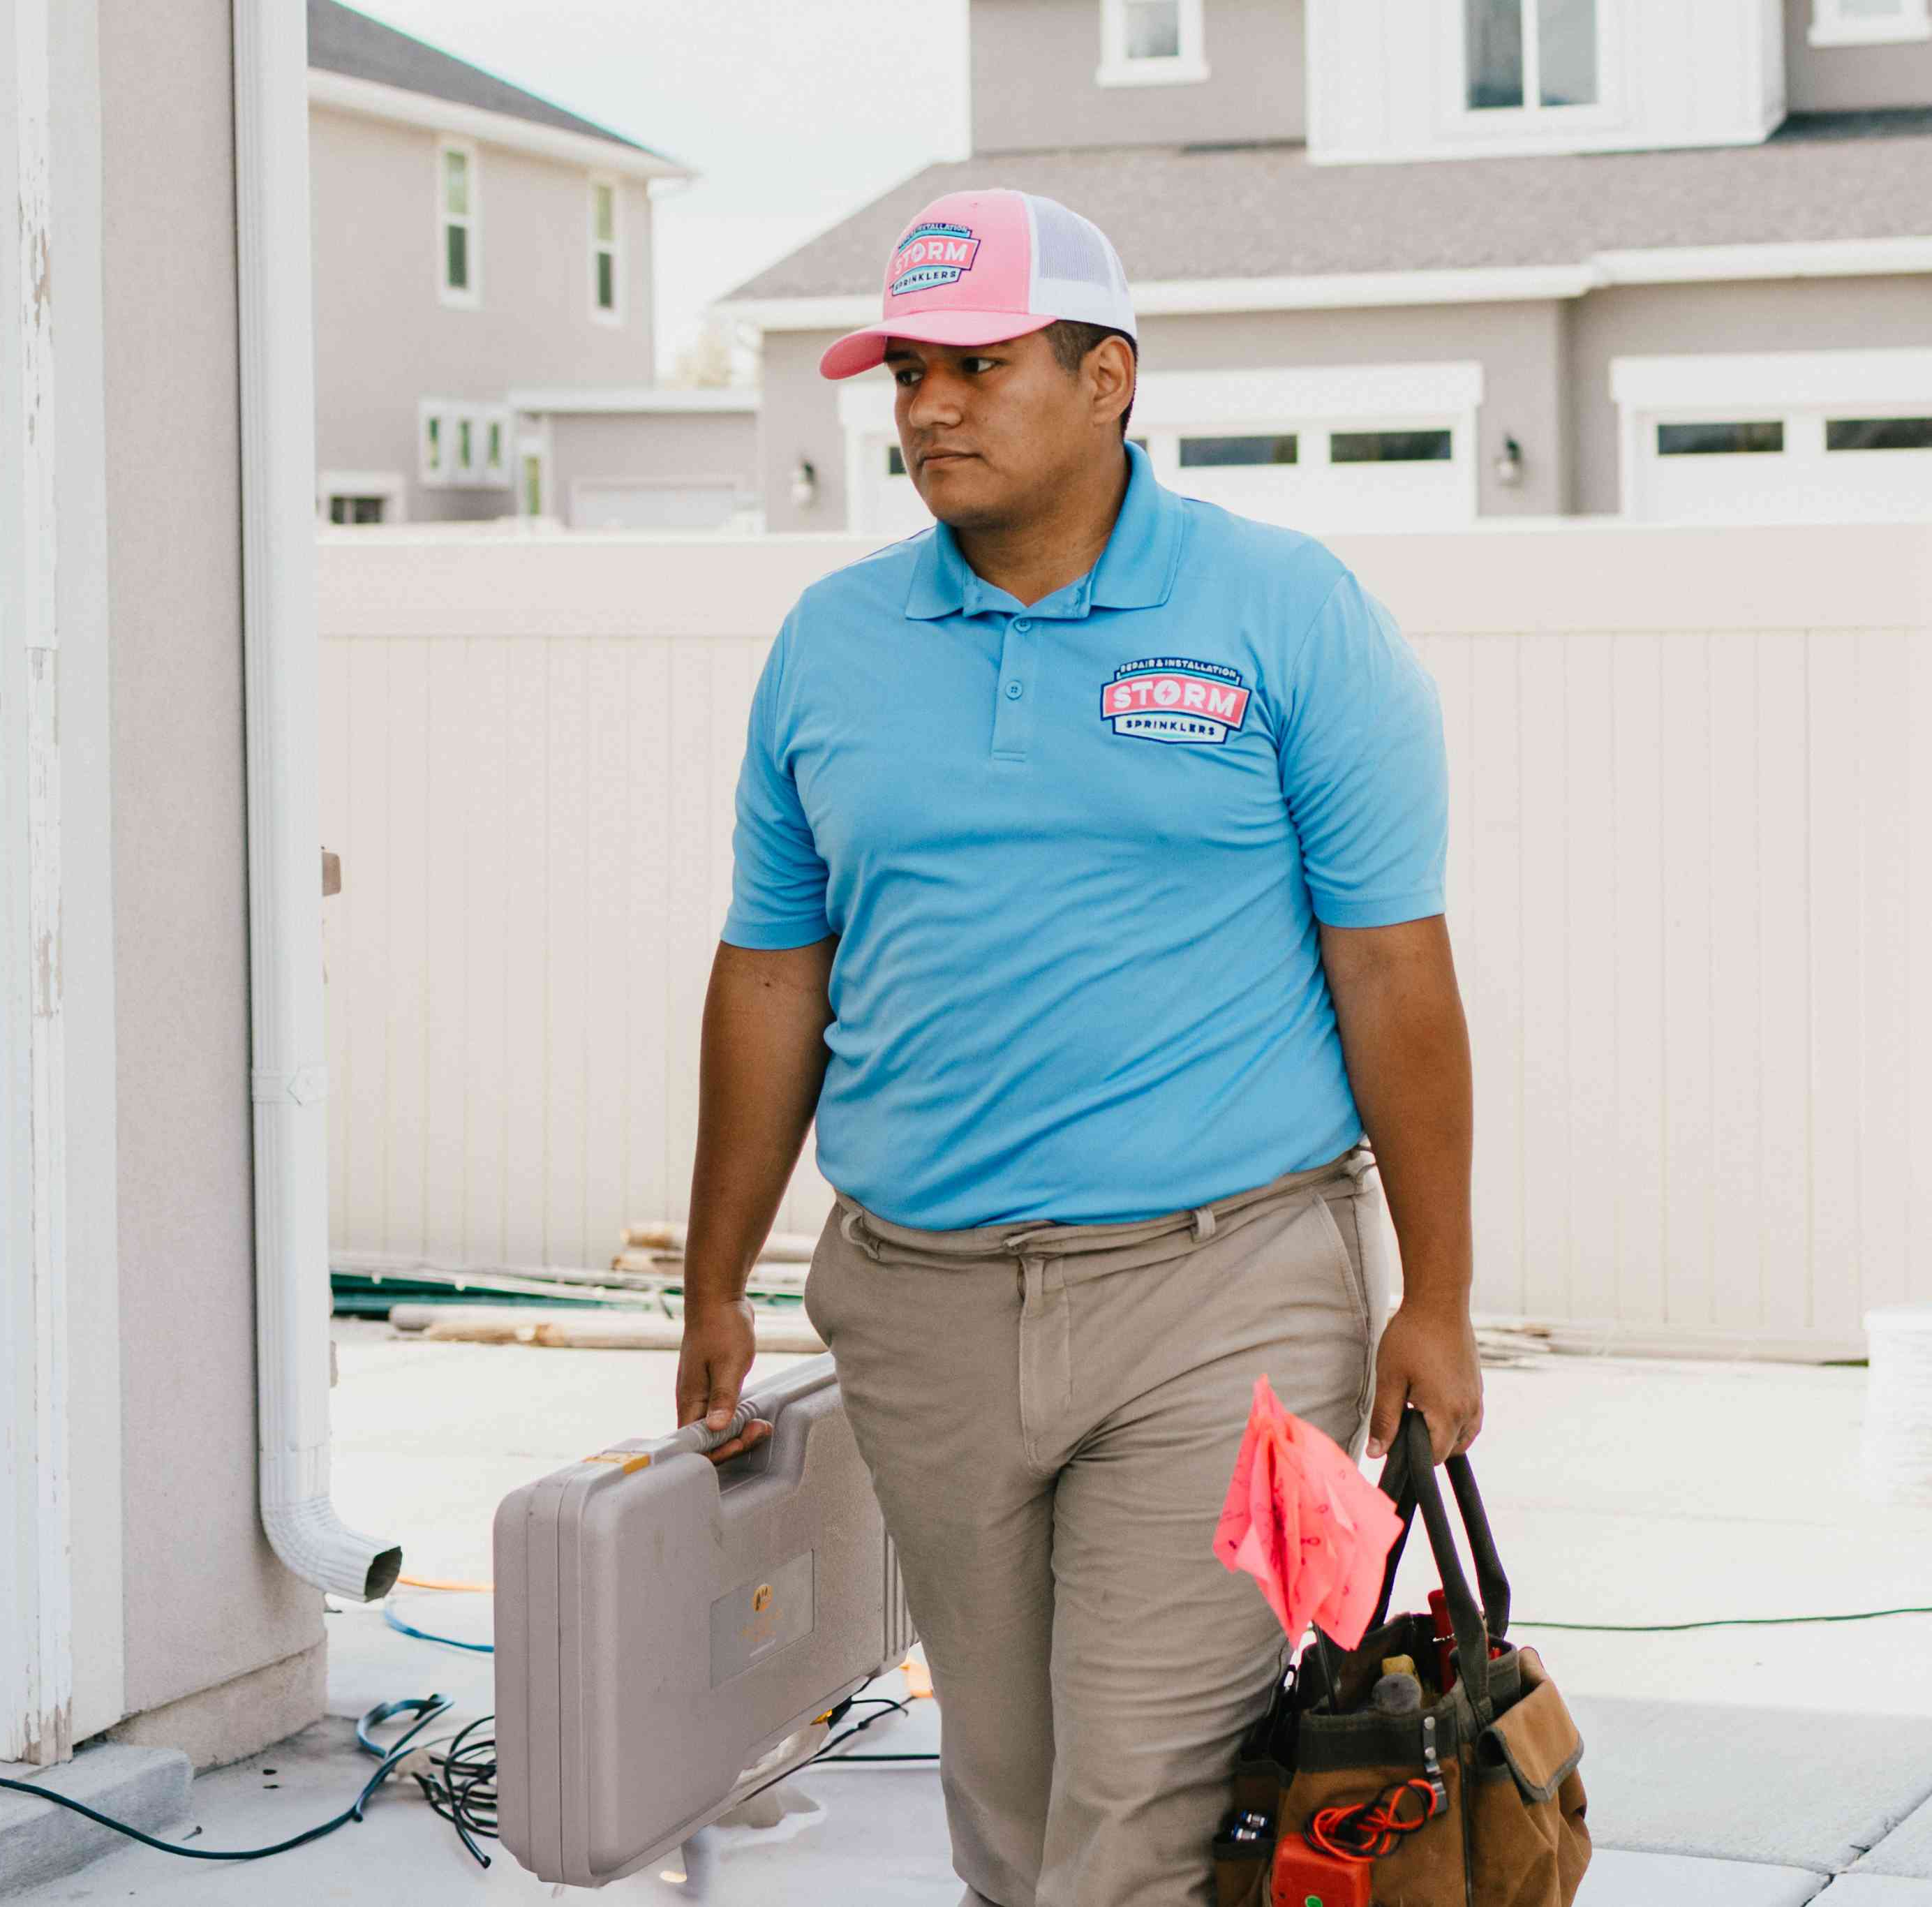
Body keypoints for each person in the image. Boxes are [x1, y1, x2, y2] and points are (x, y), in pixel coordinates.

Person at [670, 188, 1480, 1907]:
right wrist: (714, 1281)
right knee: (1012, 1803)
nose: (926, 410)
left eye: (974, 365)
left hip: (1227, 1290)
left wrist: (1437, 1292)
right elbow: (766, 978)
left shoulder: (1285, 613)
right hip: (920, 1301)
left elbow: (1394, 973)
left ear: (1106, 376)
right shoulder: (832, 643)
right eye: (903, 374)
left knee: (1141, 1816)